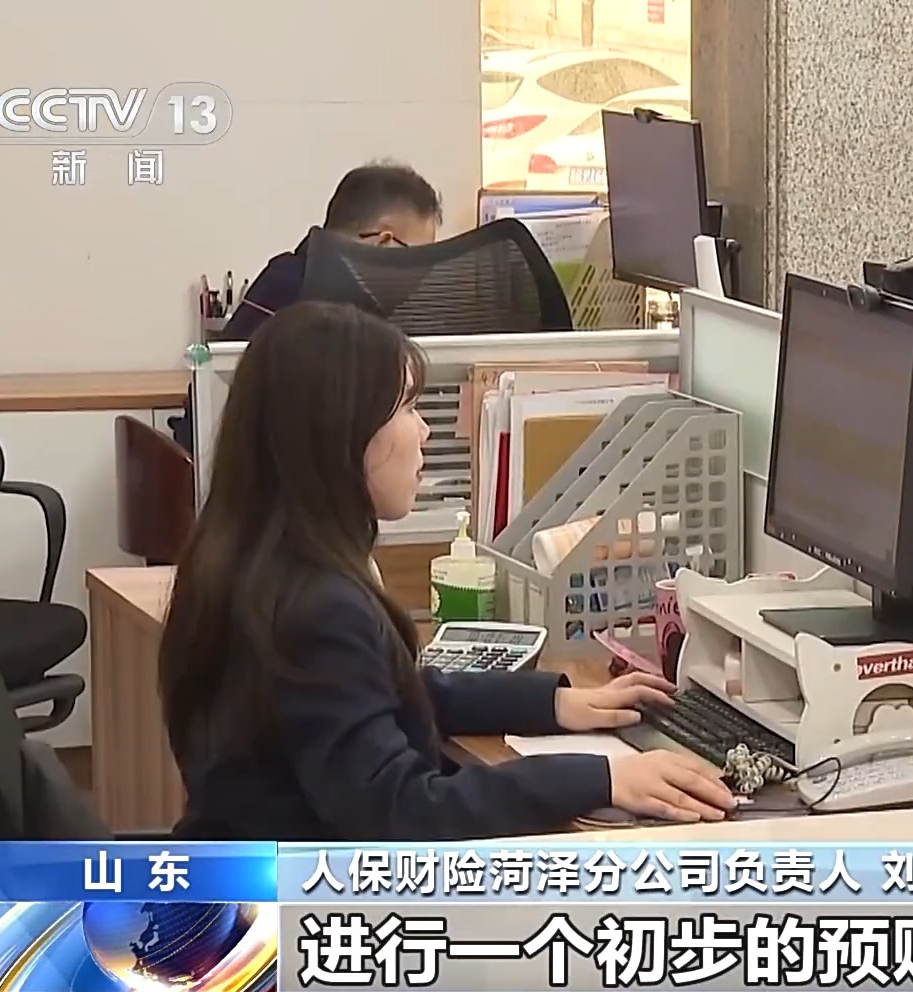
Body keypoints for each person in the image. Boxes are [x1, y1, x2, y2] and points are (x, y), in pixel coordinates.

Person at [160, 301, 736, 839]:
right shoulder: (317, 607)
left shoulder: (244, 559)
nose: (424, 430)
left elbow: (387, 695)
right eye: (407, 408)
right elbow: (404, 810)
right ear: (342, 435)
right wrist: (598, 778)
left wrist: (553, 704)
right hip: (298, 904)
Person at [218, 161, 443, 343]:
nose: (421, 274)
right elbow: (224, 377)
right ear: (384, 242)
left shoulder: (385, 309)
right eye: (418, 258)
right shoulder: (288, 284)